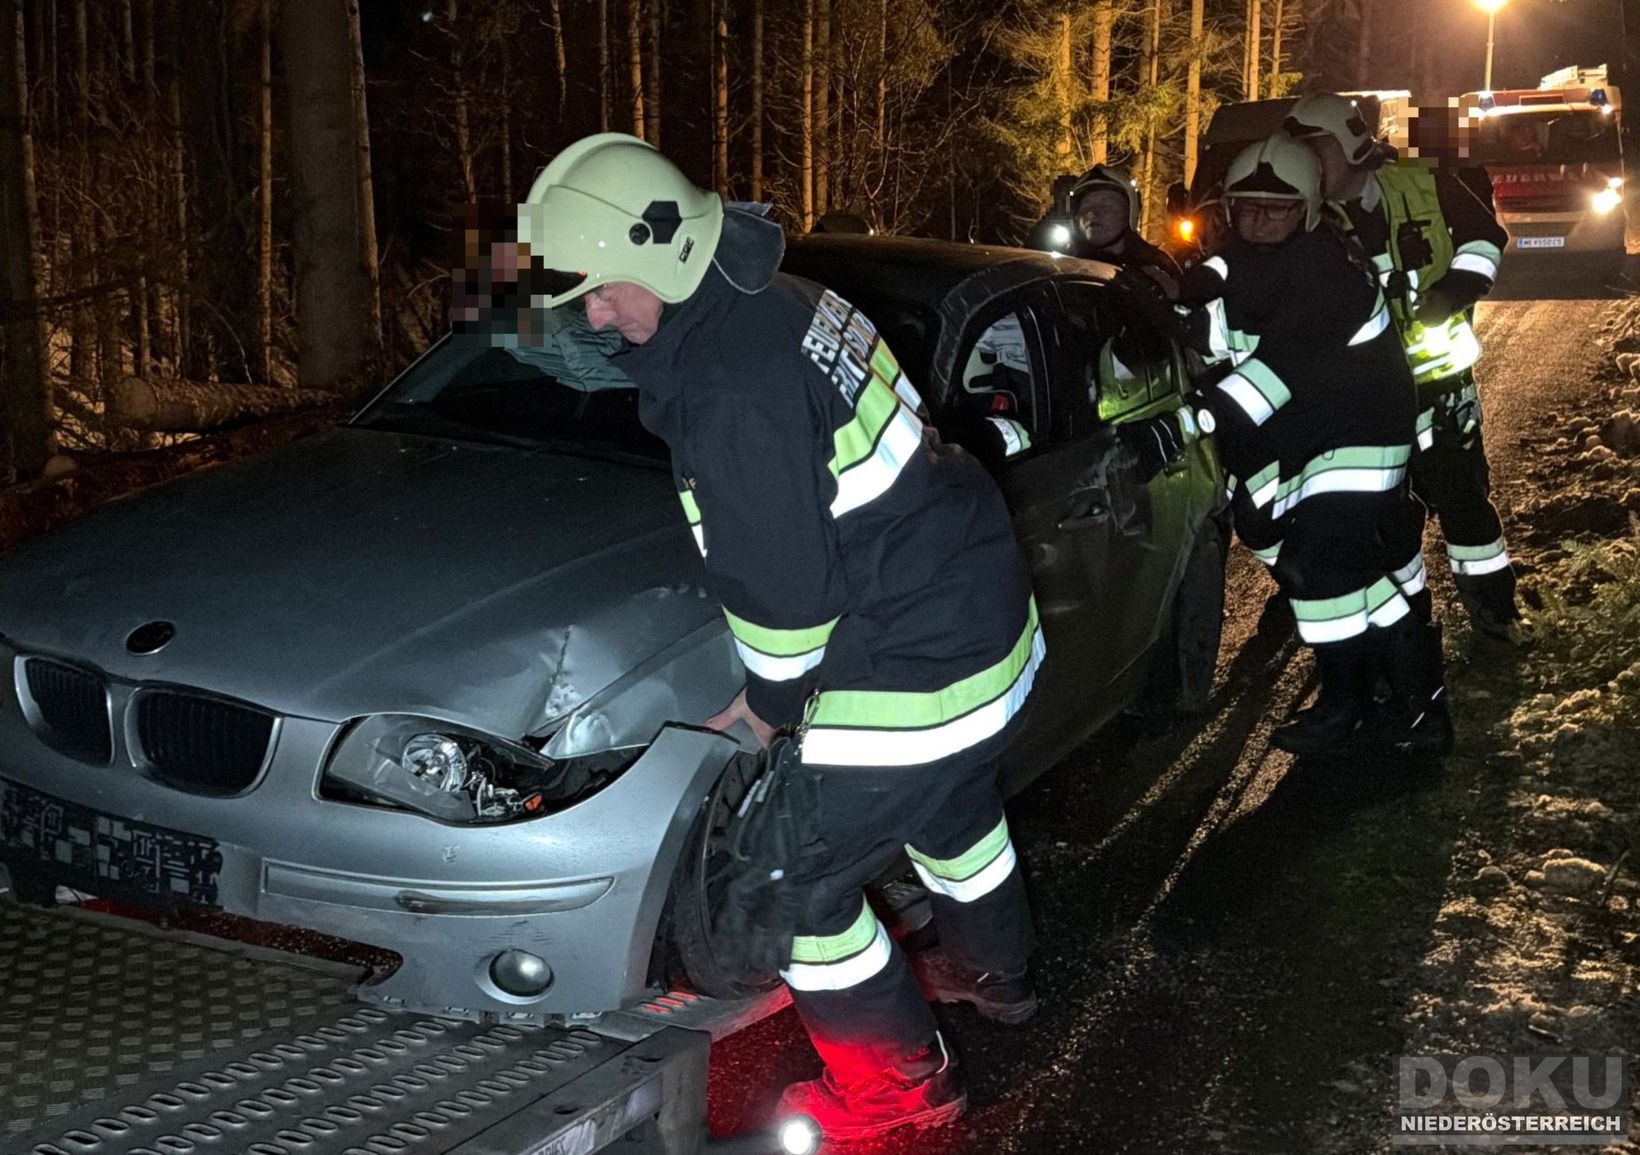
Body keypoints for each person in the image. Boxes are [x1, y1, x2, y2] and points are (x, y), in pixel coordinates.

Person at [517, 133, 1043, 1137]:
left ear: (666, 251)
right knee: (952, 816)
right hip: (976, 616)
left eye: (604, 291)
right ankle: (994, 975)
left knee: (787, 893)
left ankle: (899, 1092)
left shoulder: (729, 389)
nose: (595, 315)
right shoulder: (778, 294)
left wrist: (760, 710)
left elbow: (788, 598)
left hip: (908, 664)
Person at [1187, 133, 1450, 756]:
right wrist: (1179, 288)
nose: (1260, 219)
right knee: (1327, 569)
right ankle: (1405, 702)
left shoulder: (1325, 272)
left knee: (1323, 570)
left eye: (1276, 209)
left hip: (1356, 438)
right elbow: (1229, 270)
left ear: (1306, 210)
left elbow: (1270, 377)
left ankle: (1355, 705)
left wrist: (1185, 422)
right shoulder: (1257, 254)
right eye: (1246, 207)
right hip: (1308, 439)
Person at [1284, 93, 1520, 642]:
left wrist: (1455, 290)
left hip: (1440, 383)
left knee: (1463, 501)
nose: (1304, 162)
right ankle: (1410, 631)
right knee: (1386, 521)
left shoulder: (1421, 181)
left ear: (1345, 146)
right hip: (1364, 399)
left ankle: (1495, 612)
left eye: (1313, 148)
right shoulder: (1304, 215)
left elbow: (1486, 238)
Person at [1067, 163, 1185, 294]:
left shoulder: (1158, 265)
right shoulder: (1061, 268)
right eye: (1086, 206)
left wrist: (1174, 300)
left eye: (1107, 205)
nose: (1093, 213)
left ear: (1129, 214)